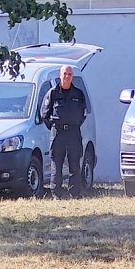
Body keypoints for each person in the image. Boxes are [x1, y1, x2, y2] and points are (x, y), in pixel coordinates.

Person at [40, 65, 87, 199]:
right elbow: (44, 114)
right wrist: (54, 126)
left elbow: (83, 114)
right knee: (57, 164)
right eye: (65, 74)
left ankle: (74, 194)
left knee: (74, 164)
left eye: (70, 74)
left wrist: (74, 124)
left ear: (72, 77)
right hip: (58, 133)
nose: (67, 77)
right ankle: (56, 195)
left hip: (73, 133)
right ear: (60, 76)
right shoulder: (53, 93)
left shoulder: (78, 94)